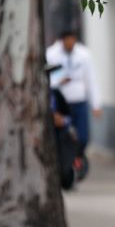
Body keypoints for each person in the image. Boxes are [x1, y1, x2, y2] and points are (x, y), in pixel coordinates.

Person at [46, 30, 102, 179]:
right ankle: (64, 165)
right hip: (61, 101)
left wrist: (96, 104)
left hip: (79, 100)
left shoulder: (84, 55)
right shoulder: (52, 54)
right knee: (63, 135)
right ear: (62, 40)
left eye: (72, 40)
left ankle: (77, 159)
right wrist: (58, 81)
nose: (70, 43)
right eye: (67, 40)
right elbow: (46, 77)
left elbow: (91, 79)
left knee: (82, 137)